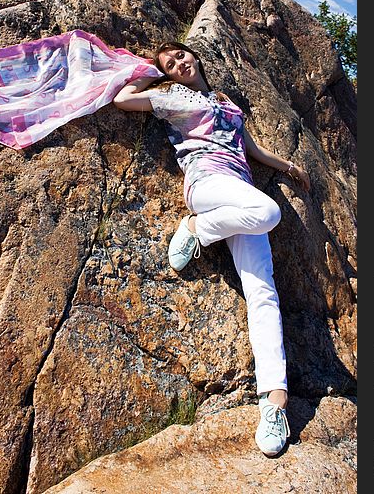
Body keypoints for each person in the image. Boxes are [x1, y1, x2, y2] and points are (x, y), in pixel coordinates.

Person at [114, 41, 310, 457]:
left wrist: (289, 166)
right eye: (171, 64)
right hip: (205, 182)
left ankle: (273, 402)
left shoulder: (224, 101)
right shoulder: (171, 96)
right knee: (269, 212)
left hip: (240, 188)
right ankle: (197, 228)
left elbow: (251, 151)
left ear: (196, 56)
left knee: (263, 290)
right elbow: (122, 100)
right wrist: (151, 72)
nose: (181, 64)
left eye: (182, 56)